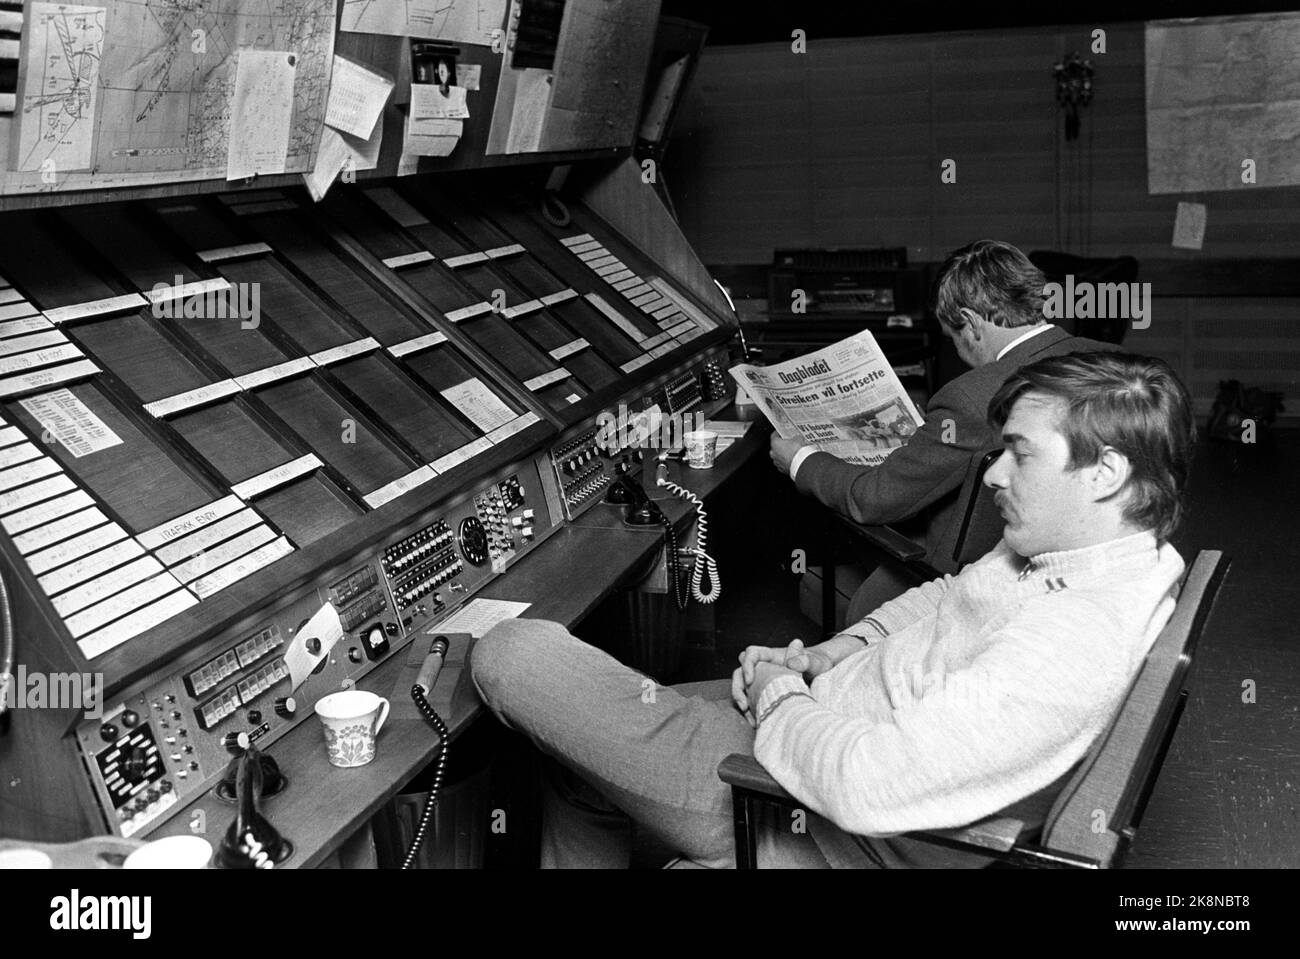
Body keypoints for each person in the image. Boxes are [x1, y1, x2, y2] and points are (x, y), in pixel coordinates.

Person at [470, 351, 1195, 868]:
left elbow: (865, 785)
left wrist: (781, 693)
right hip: (810, 723)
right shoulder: (1110, 555)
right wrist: (826, 657)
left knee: (509, 651)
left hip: (785, 801)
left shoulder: (1068, 643)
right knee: (575, 765)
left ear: (1105, 472)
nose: (995, 473)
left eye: (1020, 455)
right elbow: (952, 595)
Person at [771, 240, 1120, 618]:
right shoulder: (1114, 361)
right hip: (1086, 555)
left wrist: (800, 459)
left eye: (953, 339)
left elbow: (872, 499)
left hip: (964, 570)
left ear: (970, 323)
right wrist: (934, 433)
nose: (958, 351)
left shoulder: (971, 397)